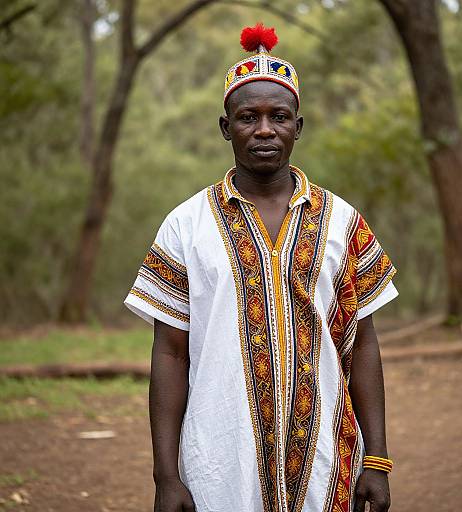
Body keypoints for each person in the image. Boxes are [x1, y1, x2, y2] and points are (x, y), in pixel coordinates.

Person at [125, 23, 398, 512]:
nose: (265, 129)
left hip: (326, 460)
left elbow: (366, 342)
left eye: (280, 116)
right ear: (226, 128)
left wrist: (376, 460)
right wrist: (165, 476)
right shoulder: (186, 225)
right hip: (219, 462)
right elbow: (169, 354)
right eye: (248, 117)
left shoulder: (342, 221)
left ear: (299, 125)